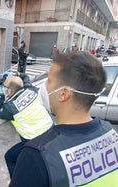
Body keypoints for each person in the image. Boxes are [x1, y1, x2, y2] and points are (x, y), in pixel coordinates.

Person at [9, 51, 118, 187]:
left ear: (63, 94)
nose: (44, 86)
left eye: (49, 80)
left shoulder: (37, 155)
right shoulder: (111, 133)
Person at [0, 72, 53, 178]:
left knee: (10, 157)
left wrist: (0, 94)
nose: (5, 89)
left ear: (10, 91)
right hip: (51, 133)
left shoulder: (10, 107)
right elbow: (25, 77)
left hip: (34, 142)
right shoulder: (31, 89)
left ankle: (16, 182)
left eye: (5, 87)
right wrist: (16, 75)